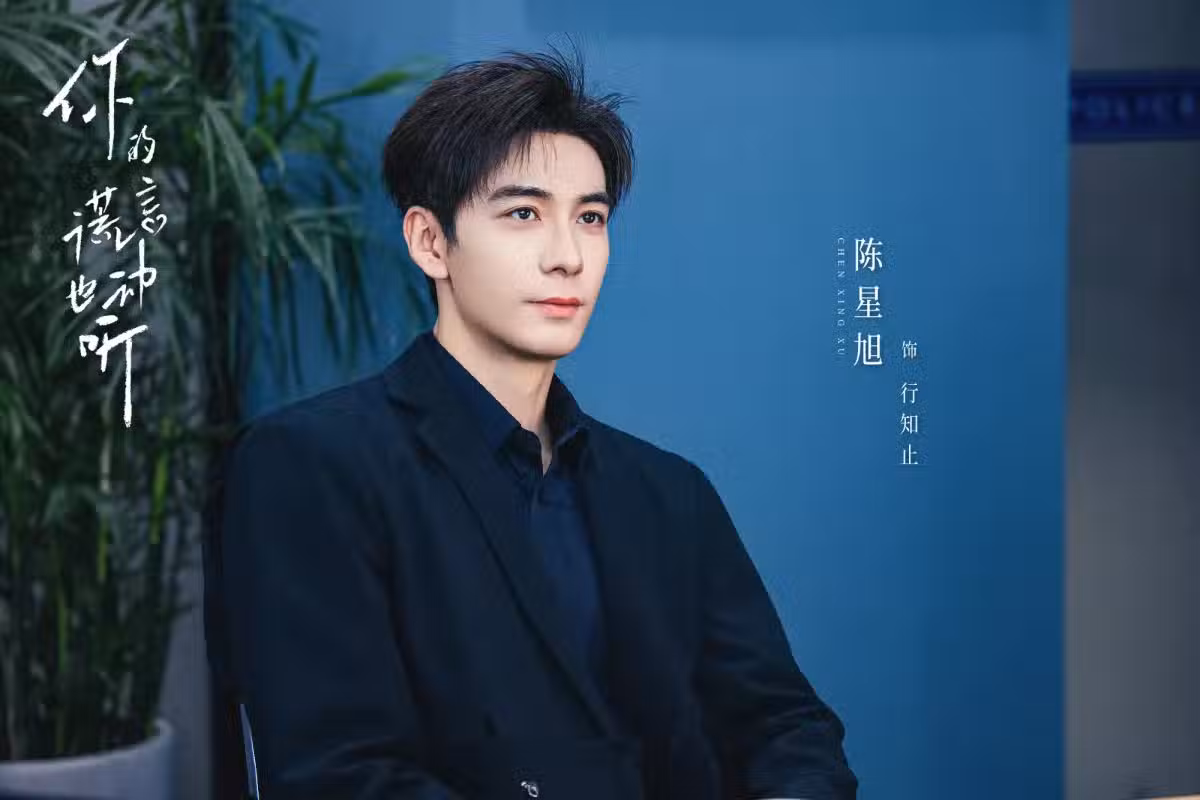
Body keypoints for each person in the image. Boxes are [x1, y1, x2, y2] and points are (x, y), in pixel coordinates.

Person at [205, 43, 858, 800]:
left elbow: (784, 726)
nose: (567, 256)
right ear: (430, 242)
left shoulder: (668, 492)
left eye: (591, 218)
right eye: (523, 214)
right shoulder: (310, 464)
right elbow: (340, 774)